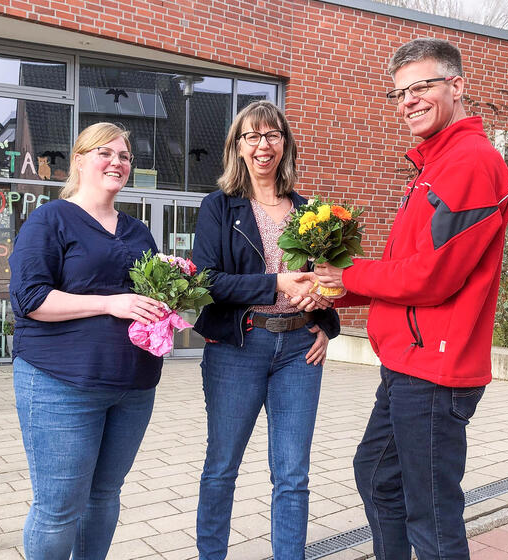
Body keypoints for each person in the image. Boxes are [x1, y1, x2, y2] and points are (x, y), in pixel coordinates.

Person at [312, 39, 508, 559]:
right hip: (408, 363)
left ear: (457, 86)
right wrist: (333, 290)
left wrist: (347, 274)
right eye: (400, 92)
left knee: (431, 510)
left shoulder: (469, 162)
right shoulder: (433, 165)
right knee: (378, 477)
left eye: (421, 87)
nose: (408, 101)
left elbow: (434, 277)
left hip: (434, 369)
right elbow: (406, 273)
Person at [8, 122, 166, 560]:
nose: (117, 162)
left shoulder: (138, 233)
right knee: (59, 509)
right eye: (105, 152)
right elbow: (30, 299)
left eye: (125, 156)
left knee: (104, 497)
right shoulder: (49, 220)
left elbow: (145, 298)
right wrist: (110, 304)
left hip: (132, 387)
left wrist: (167, 311)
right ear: (79, 160)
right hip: (61, 384)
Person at [191, 100, 340, 560]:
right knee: (222, 467)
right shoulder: (219, 207)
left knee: (293, 473)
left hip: (299, 349)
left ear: (285, 144)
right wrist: (274, 282)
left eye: (272, 135)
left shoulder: (310, 210)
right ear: (237, 147)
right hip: (240, 345)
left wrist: (324, 321)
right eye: (252, 136)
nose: (262, 145)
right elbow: (207, 280)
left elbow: (331, 277)